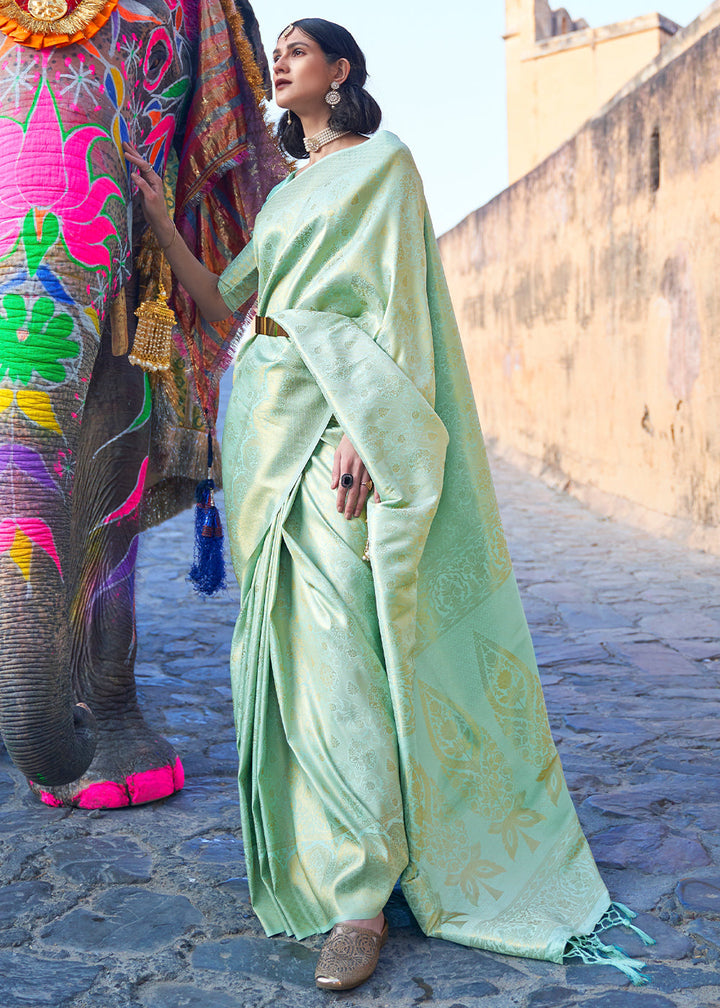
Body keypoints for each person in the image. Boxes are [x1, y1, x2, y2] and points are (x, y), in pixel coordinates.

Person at [124, 17, 652, 994]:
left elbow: (402, 308)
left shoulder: (385, 166)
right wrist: (158, 220)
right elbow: (221, 301)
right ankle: (330, 863)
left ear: (344, 71)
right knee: (287, 653)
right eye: (275, 50)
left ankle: (362, 902)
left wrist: (373, 430)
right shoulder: (288, 195)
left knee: (340, 654)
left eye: (299, 50)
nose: (280, 62)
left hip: (334, 425)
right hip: (260, 422)